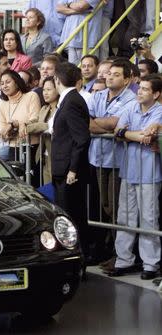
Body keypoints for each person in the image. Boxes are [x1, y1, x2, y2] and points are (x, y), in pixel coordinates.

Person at [109, 75, 162, 280]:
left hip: (149, 173)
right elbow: (117, 130)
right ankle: (124, 260)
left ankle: (150, 263)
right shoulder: (131, 108)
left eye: (145, 89)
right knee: (125, 217)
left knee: (148, 218)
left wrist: (129, 134)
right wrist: (138, 136)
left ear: (156, 94)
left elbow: (153, 134)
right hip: (129, 170)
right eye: (140, 88)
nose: (139, 92)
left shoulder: (159, 111)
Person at [88, 60, 136, 265]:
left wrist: (100, 124)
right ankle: (110, 250)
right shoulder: (97, 95)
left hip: (118, 161)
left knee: (117, 208)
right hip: (98, 158)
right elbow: (85, 121)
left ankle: (122, 255)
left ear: (127, 79)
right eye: (109, 74)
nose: (109, 77)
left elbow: (118, 124)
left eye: (116, 74)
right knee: (105, 206)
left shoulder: (131, 100)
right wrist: (105, 126)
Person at [51, 62, 91, 261]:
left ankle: (77, 258)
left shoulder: (73, 101)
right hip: (63, 168)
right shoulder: (70, 99)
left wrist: (73, 170)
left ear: (57, 80)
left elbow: (81, 138)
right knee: (68, 216)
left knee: (72, 218)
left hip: (69, 172)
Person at [0, 69, 40, 169]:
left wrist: (16, 124)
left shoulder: (31, 96)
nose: (4, 86)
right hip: (13, 149)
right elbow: (2, 132)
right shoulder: (2, 105)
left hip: (31, 147)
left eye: (8, 82)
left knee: (31, 182)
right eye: (2, 83)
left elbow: (35, 120)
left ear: (17, 83)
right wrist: (10, 131)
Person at [26, 76, 59, 185]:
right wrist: (22, 125)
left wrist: (42, 126)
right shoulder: (44, 108)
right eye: (44, 89)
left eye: (49, 89)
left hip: (56, 156)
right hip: (43, 156)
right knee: (46, 190)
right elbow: (34, 123)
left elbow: (49, 126)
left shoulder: (61, 108)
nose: (45, 93)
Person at [57, 0, 103, 65]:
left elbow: (81, 6)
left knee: (88, 70)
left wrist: (68, 5)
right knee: (74, 71)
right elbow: (59, 8)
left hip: (88, 39)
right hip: (71, 38)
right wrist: (76, 9)